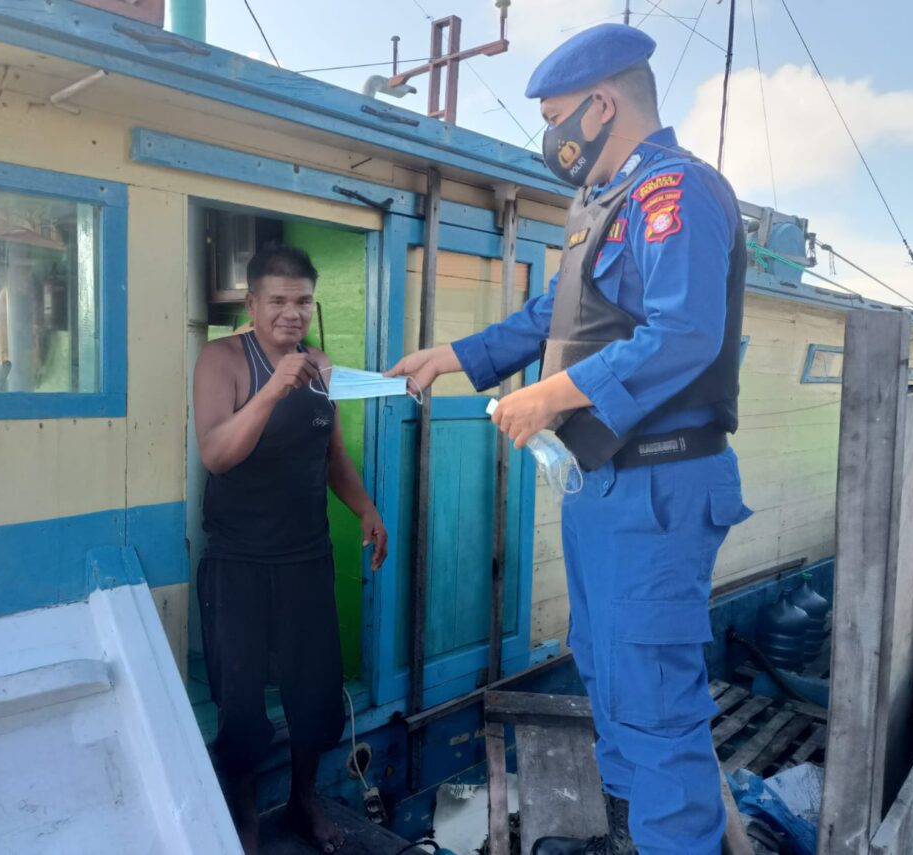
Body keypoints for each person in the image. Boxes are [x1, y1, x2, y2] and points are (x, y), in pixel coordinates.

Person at [387, 23, 752, 855]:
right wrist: (455, 356)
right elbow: (554, 314)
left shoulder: (676, 194)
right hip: (605, 483)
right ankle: (632, 833)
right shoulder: (602, 205)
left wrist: (549, 395)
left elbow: (687, 331)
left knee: (653, 695)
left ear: (600, 104)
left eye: (555, 117)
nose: (551, 139)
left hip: (661, 484)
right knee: (604, 667)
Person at [193, 245, 388, 855]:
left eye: (302, 301)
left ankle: (305, 801)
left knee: (316, 694)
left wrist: (365, 508)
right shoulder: (220, 360)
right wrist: (274, 388)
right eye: (276, 301)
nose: (291, 313)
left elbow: (330, 454)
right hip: (239, 563)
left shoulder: (321, 365)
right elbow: (217, 454)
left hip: (306, 559)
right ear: (251, 304)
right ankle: (246, 814)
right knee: (241, 701)